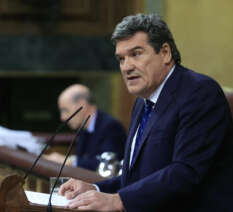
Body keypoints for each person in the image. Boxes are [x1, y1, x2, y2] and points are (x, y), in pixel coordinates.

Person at [59, 14, 233, 212]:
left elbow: (185, 172)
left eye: (136, 54)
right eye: (121, 59)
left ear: (165, 53)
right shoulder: (143, 102)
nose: (127, 67)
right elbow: (138, 178)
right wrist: (97, 188)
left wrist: (118, 201)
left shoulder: (199, 92)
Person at [44, 84, 127, 171]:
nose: (63, 117)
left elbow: (107, 165)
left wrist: (69, 161)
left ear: (82, 105)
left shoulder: (111, 127)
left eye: (65, 110)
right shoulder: (82, 129)